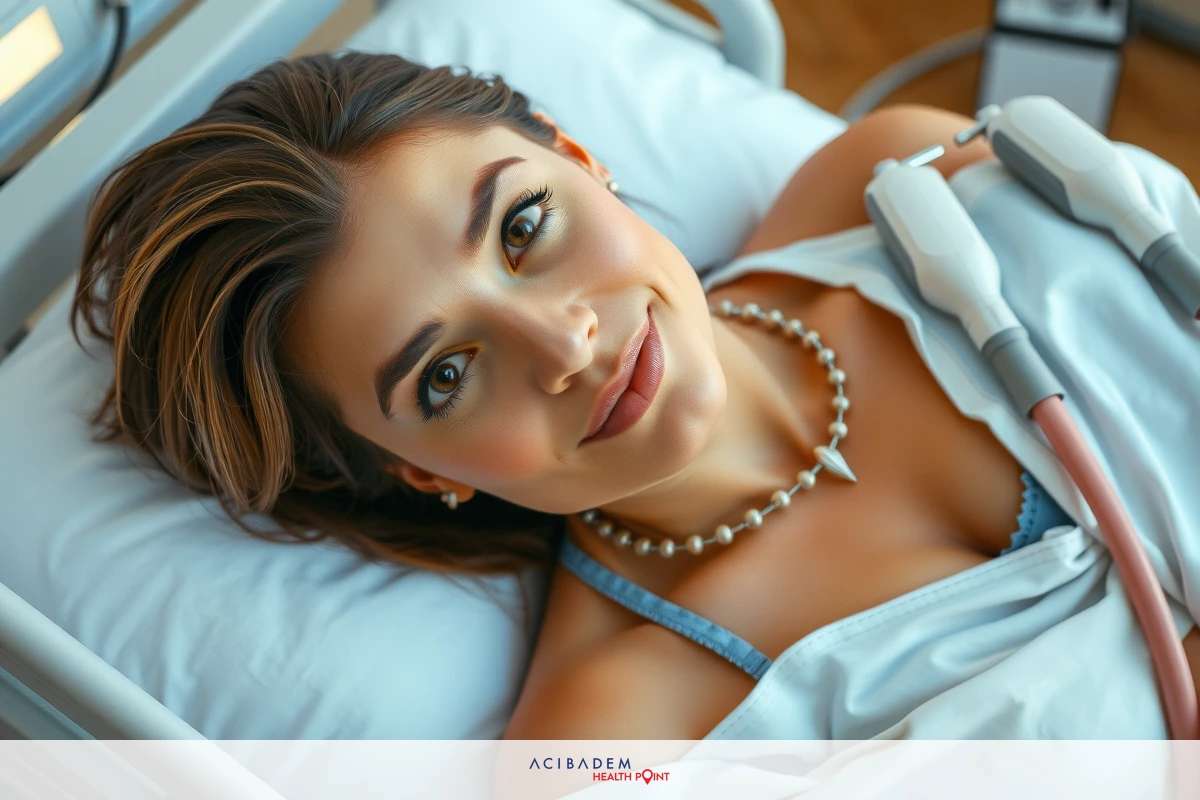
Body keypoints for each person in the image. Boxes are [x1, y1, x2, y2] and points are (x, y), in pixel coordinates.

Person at [71, 52, 1200, 740]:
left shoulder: (904, 187)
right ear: (422, 469)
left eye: (524, 226)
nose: (564, 340)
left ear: (576, 153)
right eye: (446, 375)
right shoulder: (618, 741)